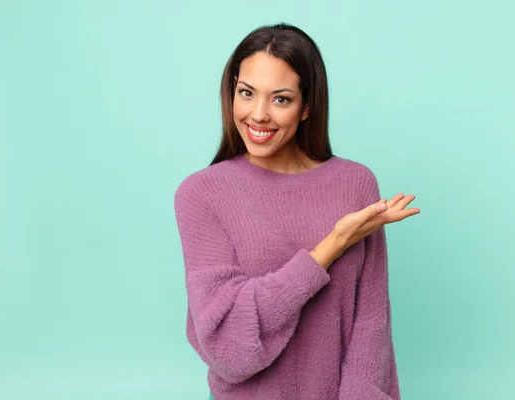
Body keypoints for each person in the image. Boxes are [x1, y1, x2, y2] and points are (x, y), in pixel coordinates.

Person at [174, 22, 420, 400]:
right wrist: (333, 245)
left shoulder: (355, 184)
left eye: (281, 99)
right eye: (246, 93)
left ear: (307, 107)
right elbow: (229, 347)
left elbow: (370, 328)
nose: (258, 115)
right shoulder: (201, 194)